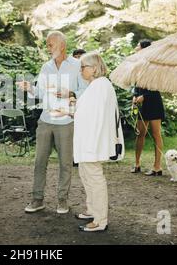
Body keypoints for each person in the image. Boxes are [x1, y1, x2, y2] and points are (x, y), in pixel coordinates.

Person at [19, 31, 87, 214]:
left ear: (62, 46)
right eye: (47, 45)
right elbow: (40, 92)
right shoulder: (46, 67)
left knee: (65, 163)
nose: (48, 48)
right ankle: (37, 199)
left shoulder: (77, 66)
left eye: (51, 45)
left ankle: (62, 200)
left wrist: (71, 94)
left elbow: (86, 90)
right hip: (45, 120)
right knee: (39, 161)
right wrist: (30, 89)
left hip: (66, 121)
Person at [73, 52, 124, 232]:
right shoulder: (97, 85)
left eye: (83, 67)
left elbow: (95, 116)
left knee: (94, 179)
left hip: (92, 143)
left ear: (94, 68)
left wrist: (72, 111)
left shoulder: (100, 85)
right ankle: (92, 210)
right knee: (87, 176)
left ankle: (100, 220)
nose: (81, 71)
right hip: (88, 142)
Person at [130, 39, 165, 176]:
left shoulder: (154, 65)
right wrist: (135, 95)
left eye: (138, 45)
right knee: (140, 134)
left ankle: (157, 166)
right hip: (141, 103)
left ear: (144, 48)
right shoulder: (138, 65)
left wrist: (144, 96)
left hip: (153, 101)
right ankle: (137, 163)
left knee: (156, 134)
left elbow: (156, 85)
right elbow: (136, 85)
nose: (136, 47)